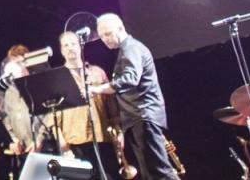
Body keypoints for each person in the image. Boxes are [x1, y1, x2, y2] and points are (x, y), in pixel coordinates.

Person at [91, 13, 179, 180]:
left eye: (108, 33)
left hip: (143, 115)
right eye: (102, 36)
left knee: (160, 171)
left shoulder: (132, 48)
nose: (105, 39)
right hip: (136, 118)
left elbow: (130, 78)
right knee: (149, 173)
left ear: (120, 27)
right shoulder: (124, 51)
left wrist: (100, 88)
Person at [48, 31, 122, 179]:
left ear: (80, 46)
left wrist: (119, 133)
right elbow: (52, 119)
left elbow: (112, 107)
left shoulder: (97, 72)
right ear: (62, 50)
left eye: (73, 44)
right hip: (75, 142)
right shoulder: (57, 79)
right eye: (66, 45)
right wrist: (64, 146)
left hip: (103, 137)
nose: (70, 48)